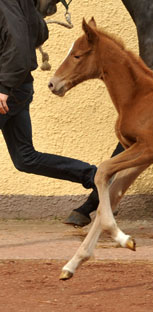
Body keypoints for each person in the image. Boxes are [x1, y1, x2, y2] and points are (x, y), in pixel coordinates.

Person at [0, 0, 98, 227]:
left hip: (8, 90)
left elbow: (20, 47)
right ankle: (95, 176)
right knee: (26, 159)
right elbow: (40, 32)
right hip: (18, 88)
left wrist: (3, 88)